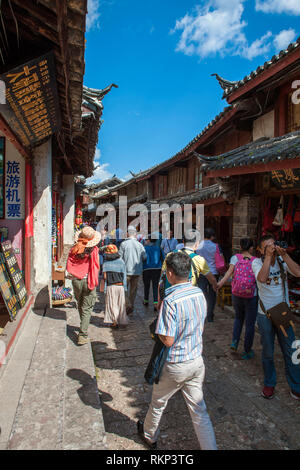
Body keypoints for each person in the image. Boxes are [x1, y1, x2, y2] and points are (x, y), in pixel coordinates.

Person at [137, 251, 217, 450]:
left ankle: (149, 436)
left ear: (170, 273)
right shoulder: (199, 293)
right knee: (199, 411)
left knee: (158, 402)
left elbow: (168, 339)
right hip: (196, 360)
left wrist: (157, 330)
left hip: (175, 364)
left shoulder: (170, 301)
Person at [252, 235, 300, 400]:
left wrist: (284, 255)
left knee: (292, 349)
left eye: (274, 245)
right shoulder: (257, 262)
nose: (272, 248)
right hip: (265, 315)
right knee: (268, 352)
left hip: (283, 314)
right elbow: (262, 278)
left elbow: (298, 272)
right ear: (260, 250)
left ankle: (296, 386)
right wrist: (268, 257)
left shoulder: (282, 261)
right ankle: (269, 383)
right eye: (267, 246)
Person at [217, 238, 258, 360]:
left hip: (237, 294)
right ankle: (247, 350)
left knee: (238, 319)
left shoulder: (235, 258)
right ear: (251, 248)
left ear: (241, 247)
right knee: (250, 323)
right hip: (251, 295)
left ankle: (234, 342)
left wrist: (220, 284)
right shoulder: (256, 261)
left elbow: (229, 273)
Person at [159, 231, 217, 308]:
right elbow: (211, 278)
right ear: (197, 244)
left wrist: (159, 300)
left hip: (170, 296)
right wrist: (215, 285)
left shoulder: (170, 255)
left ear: (183, 242)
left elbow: (161, 279)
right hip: (188, 297)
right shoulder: (199, 259)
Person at [66, 226, 100, 345]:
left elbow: (69, 265)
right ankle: (83, 334)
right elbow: (95, 267)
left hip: (76, 281)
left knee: (80, 303)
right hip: (88, 280)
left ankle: (83, 325)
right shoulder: (94, 250)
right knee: (87, 307)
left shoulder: (74, 249)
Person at [196, 228, 223, 322]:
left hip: (201, 272)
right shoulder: (216, 246)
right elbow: (221, 258)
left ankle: (203, 313)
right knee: (212, 294)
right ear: (212, 236)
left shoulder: (198, 245)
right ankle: (210, 315)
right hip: (213, 272)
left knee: (203, 293)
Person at [119, 225, 147, 314]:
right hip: (137, 271)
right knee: (133, 290)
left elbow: (119, 257)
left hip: (126, 270)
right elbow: (145, 257)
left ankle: (127, 305)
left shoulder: (123, 244)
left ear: (127, 233)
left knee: (124, 289)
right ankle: (131, 305)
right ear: (135, 234)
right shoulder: (140, 245)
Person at [102, 244, 128, 328]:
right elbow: (124, 276)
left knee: (112, 304)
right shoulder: (121, 261)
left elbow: (105, 277)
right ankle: (120, 320)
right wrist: (125, 287)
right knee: (120, 304)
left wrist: (105, 288)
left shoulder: (105, 263)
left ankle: (114, 321)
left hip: (110, 286)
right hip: (120, 286)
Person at [143, 236, 164, 311]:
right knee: (155, 286)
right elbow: (163, 258)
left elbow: (143, 258)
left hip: (146, 268)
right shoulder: (158, 248)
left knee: (146, 285)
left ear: (149, 240)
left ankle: (146, 300)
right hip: (157, 268)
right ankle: (155, 303)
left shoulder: (145, 248)